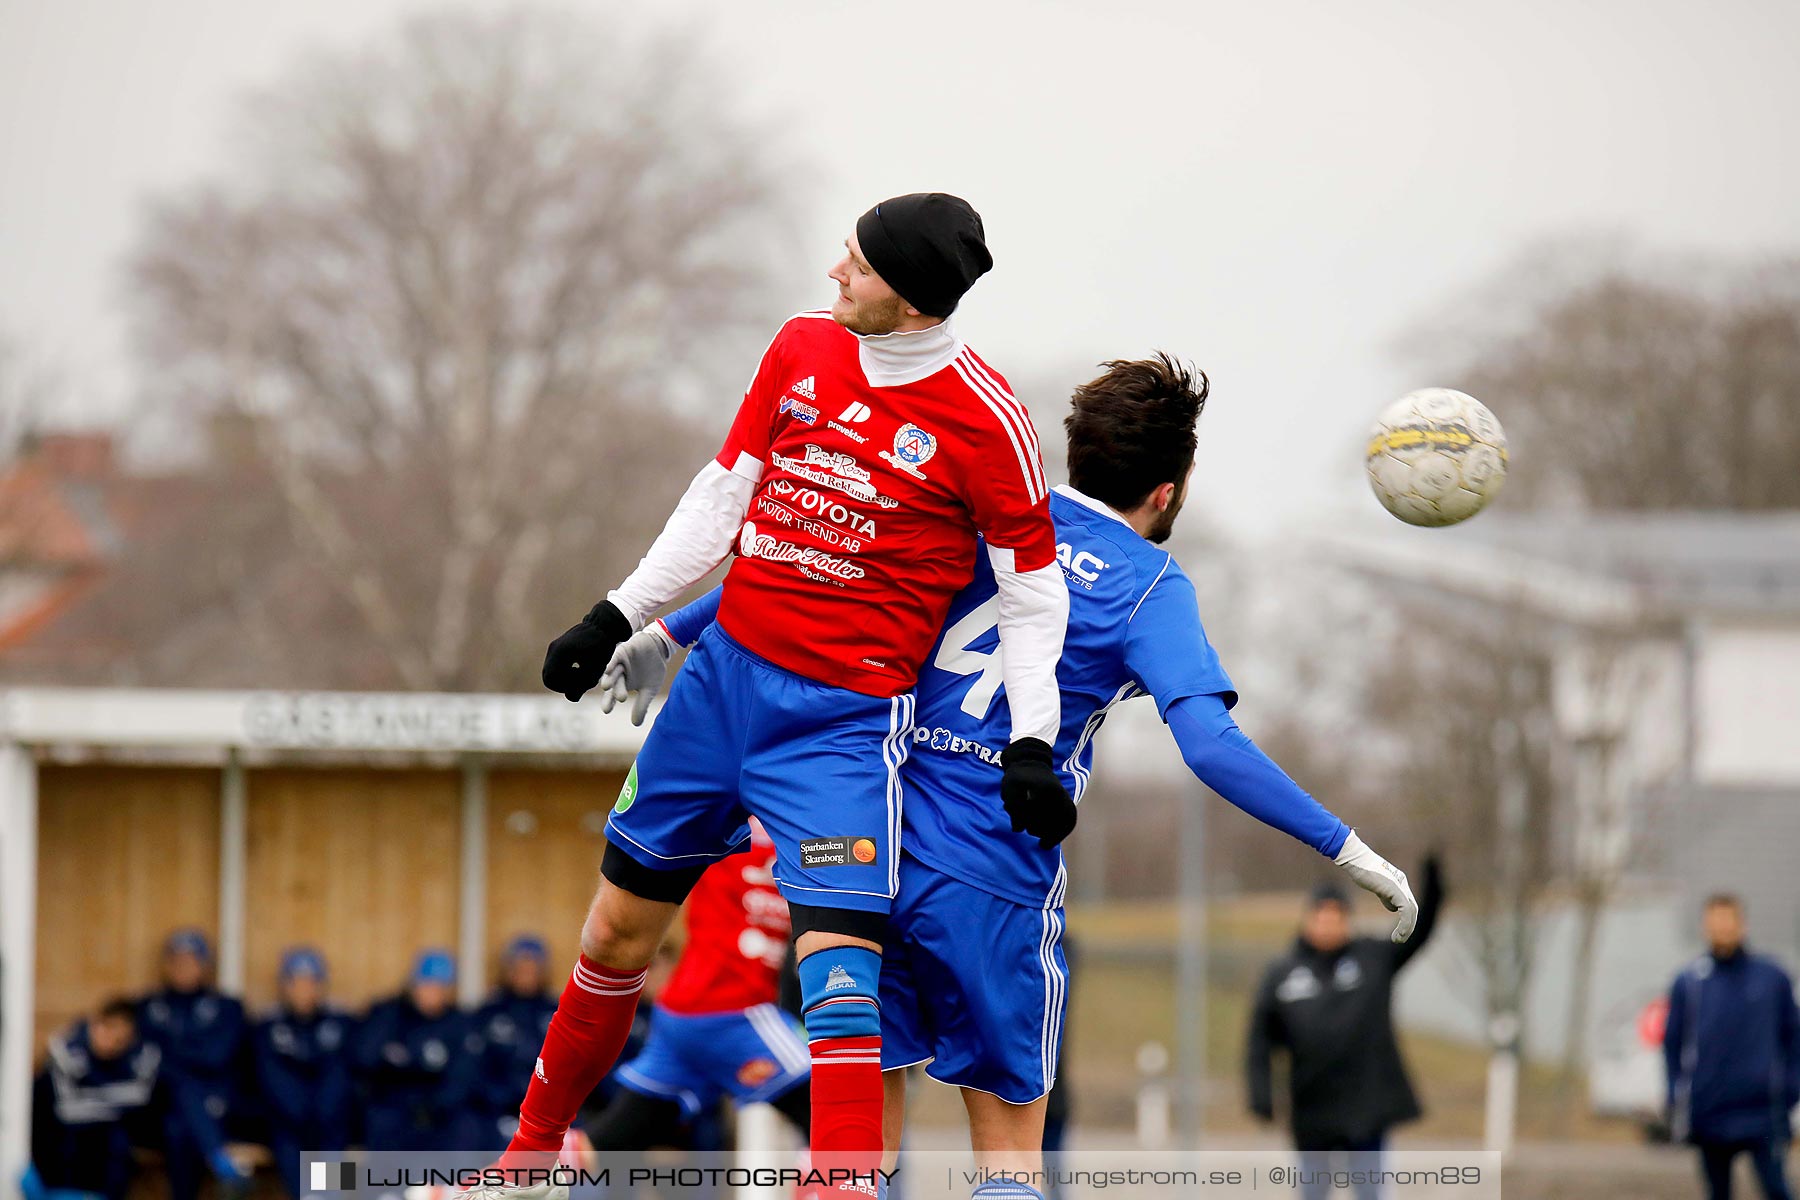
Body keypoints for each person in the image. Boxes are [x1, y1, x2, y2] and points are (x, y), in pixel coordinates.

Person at [613, 354, 1421, 1198]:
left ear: (1076, 458)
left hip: (864, 850)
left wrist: (665, 635)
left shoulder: (978, 516)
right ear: (1168, 492)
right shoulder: (1149, 588)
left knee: (854, 1153)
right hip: (989, 878)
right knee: (1007, 1161)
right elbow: (1212, 747)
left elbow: (807, 577)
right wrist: (1348, 848)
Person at [500, 192, 1071, 1195]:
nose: (832, 271)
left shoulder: (989, 420)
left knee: (839, 976)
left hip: (842, 727)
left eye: (854, 261)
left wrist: (1032, 740)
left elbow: (1033, 593)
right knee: (612, 935)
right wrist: (617, 615)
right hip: (720, 692)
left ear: (910, 296)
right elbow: (725, 490)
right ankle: (531, 1154)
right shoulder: (801, 347)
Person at [581, 822, 811, 1152]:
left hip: (686, 1012)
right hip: (729, 1010)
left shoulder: (799, 832)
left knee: (615, 1137)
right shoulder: (731, 818)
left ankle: (514, 1177)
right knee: (836, 1100)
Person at [1246, 861, 1445, 1200]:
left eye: (1336, 915)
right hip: (1312, 1107)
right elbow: (1260, 1040)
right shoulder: (1283, 973)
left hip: (1366, 1105)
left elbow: (1418, 935)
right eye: (1321, 915)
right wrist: (1261, 1095)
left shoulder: (1371, 958)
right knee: (1313, 1190)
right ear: (1308, 919)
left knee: (1370, 1190)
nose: (1328, 923)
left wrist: (1433, 888)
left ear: (1346, 919)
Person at [1663, 894, 1800, 1200]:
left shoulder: (1771, 978)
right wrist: (1676, 1096)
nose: (1722, 928)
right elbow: (1672, 1044)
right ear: (1704, 926)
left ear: (1742, 924)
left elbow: (1794, 1038)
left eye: (1728, 920)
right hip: (1710, 1112)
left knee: (1777, 1189)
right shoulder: (1690, 982)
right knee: (1718, 1192)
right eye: (1715, 921)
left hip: (1762, 1113)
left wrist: (1791, 1088)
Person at [134, 928, 251, 1200]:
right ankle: (220, 1160)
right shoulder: (148, 1006)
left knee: (181, 1122)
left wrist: (173, 1052)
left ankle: (339, 1192)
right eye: (176, 961)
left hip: (229, 1107)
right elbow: (149, 1061)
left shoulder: (227, 1007)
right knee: (178, 1116)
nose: (182, 968)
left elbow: (217, 1055)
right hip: (164, 1106)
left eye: (190, 961)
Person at [29, 998, 162, 1200]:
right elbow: (68, 1111)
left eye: (119, 1040)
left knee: (117, 1142)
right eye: (106, 1030)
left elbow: (140, 1097)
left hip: (104, 1136)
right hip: (58, 1135)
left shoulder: (137, 1055)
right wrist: (113, 1101)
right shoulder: (67, 1050)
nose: (110, 1043)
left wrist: (93, 1099)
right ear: (95, 1024)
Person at [356, 950, 483, 1152]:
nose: (432, 993)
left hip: (438, 1112)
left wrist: (434, 1105)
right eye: (426, 984)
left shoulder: (459, 1023)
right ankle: (324, 1182)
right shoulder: (388, 1015)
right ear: (413, 984)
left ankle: (450, 1184)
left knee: (467, 1126)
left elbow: (463, 1076)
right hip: (391, 1108)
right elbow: (364, 1059)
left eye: (440, 987)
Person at [252, 947, 352, 1199]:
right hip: (286, 1122)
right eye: (295, 982)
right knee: (291, 1150)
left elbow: (342, 1074)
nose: (303, 989)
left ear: (321, 986)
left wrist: (321, 1111)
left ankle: (328, 1195)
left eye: (310, 983)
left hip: (329, 1123)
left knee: (332, 1173)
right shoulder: (268, 1025)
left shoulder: (340, 1022)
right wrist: (301, 1112)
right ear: (284, 986)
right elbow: (270, 1076)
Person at [474, 937, 561, 1152]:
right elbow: (475, 1068)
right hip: (498, 1110)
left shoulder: (558, 1011)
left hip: (549, 1111)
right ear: (509, 969)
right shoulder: (489, 1012)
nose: (526, 972)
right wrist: (502, 1098)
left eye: (533, 967)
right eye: (521, 966)